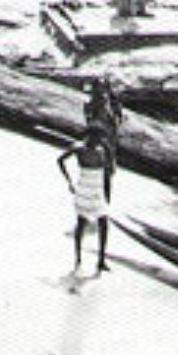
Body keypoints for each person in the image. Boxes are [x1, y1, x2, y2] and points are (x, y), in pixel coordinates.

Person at [57, 125, 115, 274]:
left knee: (104, 223)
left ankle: (101, 261)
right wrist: (69, 181)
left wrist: (107, 194)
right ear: (90, 136)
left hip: (97, 189)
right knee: (81, 223)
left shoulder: (102, 149)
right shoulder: (79, 148)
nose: (100, 140)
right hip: (84, 188)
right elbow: (60, 160)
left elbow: (107, 172)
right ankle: (78, 259)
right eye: (98, 137)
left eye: (101, 138)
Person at [85, 75, 124, 149]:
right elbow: (89, 114)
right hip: (98, 126)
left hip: (106, 127)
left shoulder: (113, 102)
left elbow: (117, 116)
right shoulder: (92, 102)